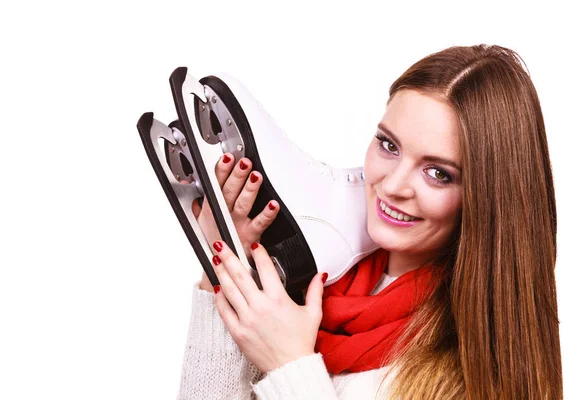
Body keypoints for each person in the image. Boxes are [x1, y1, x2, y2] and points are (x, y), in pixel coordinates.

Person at [177, 44, 562, 399]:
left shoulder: (478, 367)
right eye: (388, 145)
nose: (392, 185)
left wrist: (290, 366)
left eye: (439, 173)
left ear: (488, 198)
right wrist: (226, 275)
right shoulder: (314, 288)